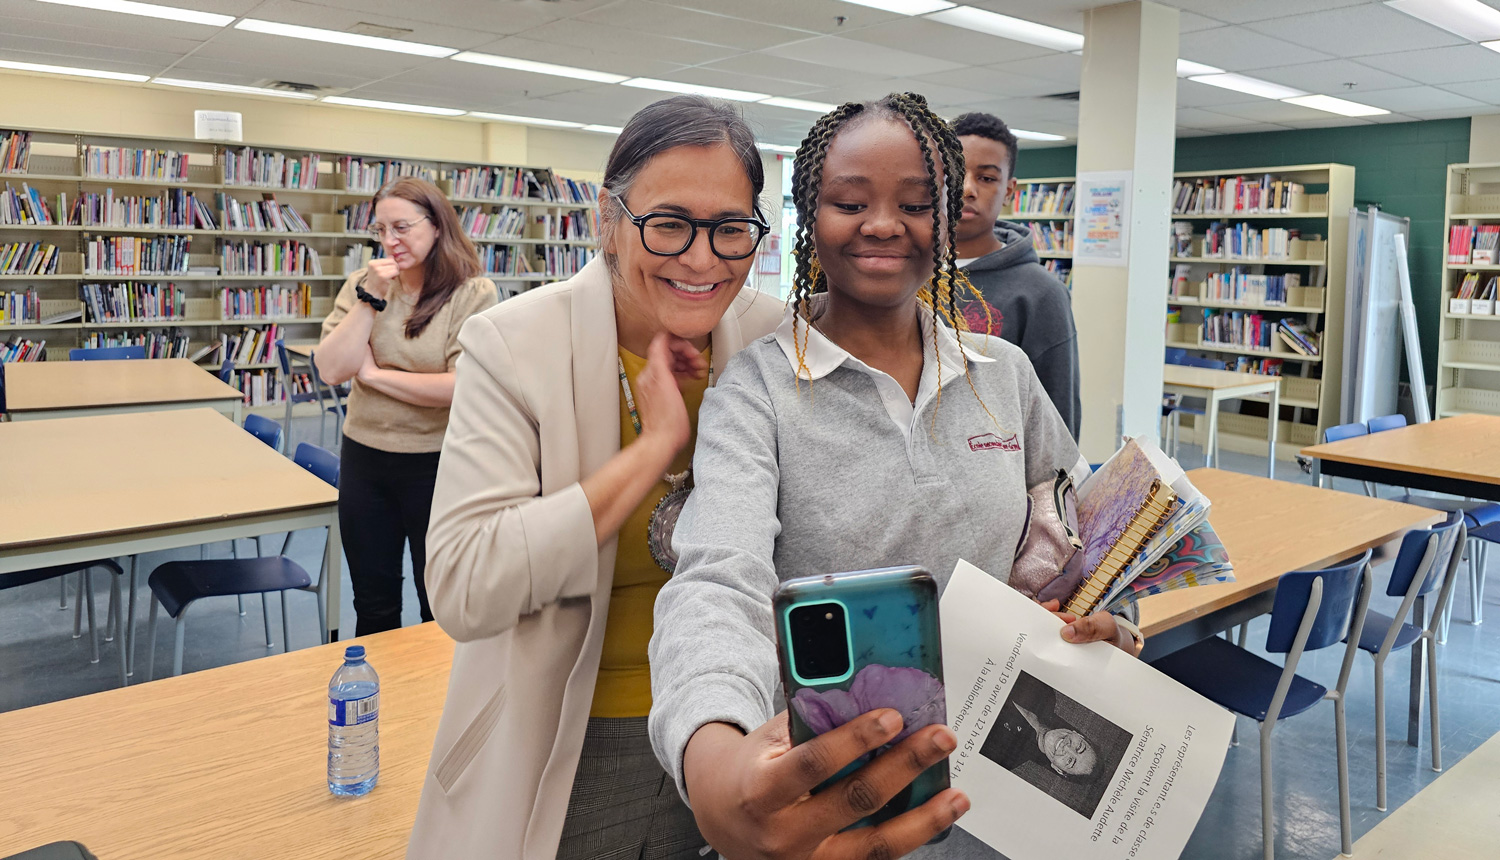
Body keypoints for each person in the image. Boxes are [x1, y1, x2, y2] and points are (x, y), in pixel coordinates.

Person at [649, 93, 1143, 860]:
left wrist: (1114, 620)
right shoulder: (757, 389)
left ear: (947, 220)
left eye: (915, 203)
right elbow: (720, 577)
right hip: (834, 791)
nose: (883, 224)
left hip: (1004, 783)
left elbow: (1094, 532)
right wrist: (711, 751)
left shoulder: (1003, 376)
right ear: (810, 215)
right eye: (850, 201)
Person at [406, 96, 785, 860]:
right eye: (669, 223)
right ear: (606, 219)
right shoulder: (513, 346)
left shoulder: (777, 341)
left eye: (731, 229)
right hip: (577, 738)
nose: (704, 259)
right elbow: (464, 584)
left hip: (751, 728)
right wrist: (648, 455)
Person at [314, 177, 495, 636]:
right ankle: (378, 704)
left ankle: (434, 706)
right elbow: (332, 368)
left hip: (438, 465)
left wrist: (374, 376)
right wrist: (370, 300)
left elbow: (462, 387)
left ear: (436, 226)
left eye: (402, 228)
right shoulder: (363, 284)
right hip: (365, 458)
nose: (390, 241)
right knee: (372, 602)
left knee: (439, 605)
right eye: (380, 230)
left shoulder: (473, 293)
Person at [949, 112, 1080, 440]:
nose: (966, 189)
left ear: (1009, 190)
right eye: (954, 173)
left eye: (986, 178)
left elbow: (1057, 423)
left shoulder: (1041, 293)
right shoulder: (903, 275)